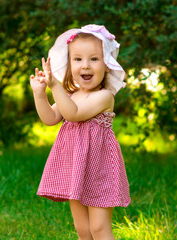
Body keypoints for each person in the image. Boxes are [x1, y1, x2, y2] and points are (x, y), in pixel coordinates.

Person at [30, 24, 130, 240]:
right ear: (69, 64)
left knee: (99, 229)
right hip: (76, 168)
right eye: (78, 59)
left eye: (94, 59)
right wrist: (40, 94)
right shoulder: (71, 95)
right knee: (83, 229)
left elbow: (73, 114)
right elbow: (50, 119)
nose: (86, 65)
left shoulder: (104, 97)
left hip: (100, 171)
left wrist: (55, 87)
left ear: (106, 64)